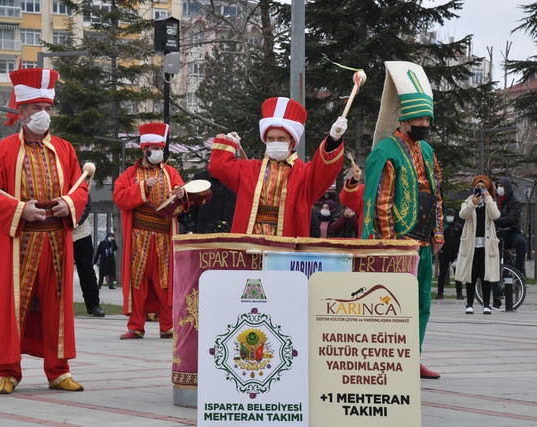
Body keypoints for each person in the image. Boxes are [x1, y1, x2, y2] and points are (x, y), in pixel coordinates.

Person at [0, 68, 89, 394]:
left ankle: (58, 371)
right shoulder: (3, 150)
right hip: (19, 241)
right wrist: (19, 209)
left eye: (48, 109)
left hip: (56, 240)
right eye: (37, 109)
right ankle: (7, 371)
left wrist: (68, 203)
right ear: (22, 112)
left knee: (56, 306)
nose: (44, 115)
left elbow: (80, 188)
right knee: (13, 305)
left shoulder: (66, 150)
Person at [361, 61, 443, 379]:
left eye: (427, 118)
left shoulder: (428, 152)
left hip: (423, 243)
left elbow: (436, 194)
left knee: (422, 303)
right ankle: (388, 359)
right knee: (390, 305)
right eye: (419, 117)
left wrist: (438, 233)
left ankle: (413, 356)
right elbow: (380, 201)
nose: (424, 123)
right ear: (404, 118)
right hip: (397, 245)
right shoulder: (385, 151)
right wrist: (390, 244)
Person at [208, 97, 346, 237]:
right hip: (251, 242)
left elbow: (323, 169)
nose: (275, 142)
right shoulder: (249, 170)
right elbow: (218, 167)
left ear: (291, 142)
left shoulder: (304, 175)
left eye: (281, 138)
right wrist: (229, 143)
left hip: (286, 245)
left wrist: (333, 140)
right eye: (271, 139)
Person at [113, 122, 184, 340]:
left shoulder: (171, 172)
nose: (158, 153)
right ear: (144, 150)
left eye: (161, 149)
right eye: (154, 149)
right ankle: (136, 326)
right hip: (139, 236)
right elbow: (120, 198)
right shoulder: (130, 174)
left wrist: (181, 193)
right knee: (138, 280)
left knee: (164, 281)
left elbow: (183, 201)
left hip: (164, 235)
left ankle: (167, 325)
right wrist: (143, 188)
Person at [456, 176, 500, 315]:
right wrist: (472, 204)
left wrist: (488, 199)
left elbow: (495, 215)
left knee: (486, 275)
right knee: (471, 274)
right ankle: (469, 304)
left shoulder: (490, 202)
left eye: (483, 187)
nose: (480, 190)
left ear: (487, 189)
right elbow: (462, 215)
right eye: (478, 187)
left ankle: (487, 304)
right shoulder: (468, 201)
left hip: (487, 245)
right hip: (471, 245)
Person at [73, 195, 105, 317]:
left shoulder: (79, 180)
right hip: (58, 229)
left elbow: (86, 204)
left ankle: (93, 305)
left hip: (80, 232)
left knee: (86, 269)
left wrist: (76, 221)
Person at [494, 178, 526, 280]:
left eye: (502, 186)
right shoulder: (493, 200)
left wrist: (495, 219)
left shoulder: (514, 202)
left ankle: (519, 271)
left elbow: (511, 219)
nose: (499, 189)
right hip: (496, 233)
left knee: (521, 242)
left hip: (511, 231)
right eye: (498, 186)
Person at [436, 208, 464, 300]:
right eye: (448, 215)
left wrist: (459, 251)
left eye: (451, 215)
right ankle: (440, 293)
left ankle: (459, 293)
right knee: (442, 273)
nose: (450, 217)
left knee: (457, 274)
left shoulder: (458, 226)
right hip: (444, 252)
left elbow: (462, 239)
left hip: (455, 253)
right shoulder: (442, 226)